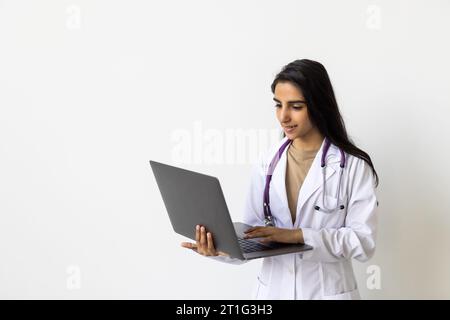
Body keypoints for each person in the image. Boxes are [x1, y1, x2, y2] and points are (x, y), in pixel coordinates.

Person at [181, 59, 379, 300]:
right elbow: (253, 234)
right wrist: (219, 249)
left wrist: (298, 236)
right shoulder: (267, 162)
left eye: (295, 106)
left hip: (327, 292)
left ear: (319, 106)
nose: (283, 117)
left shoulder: (353, 167)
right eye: (278, 105)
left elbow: (363, 242)